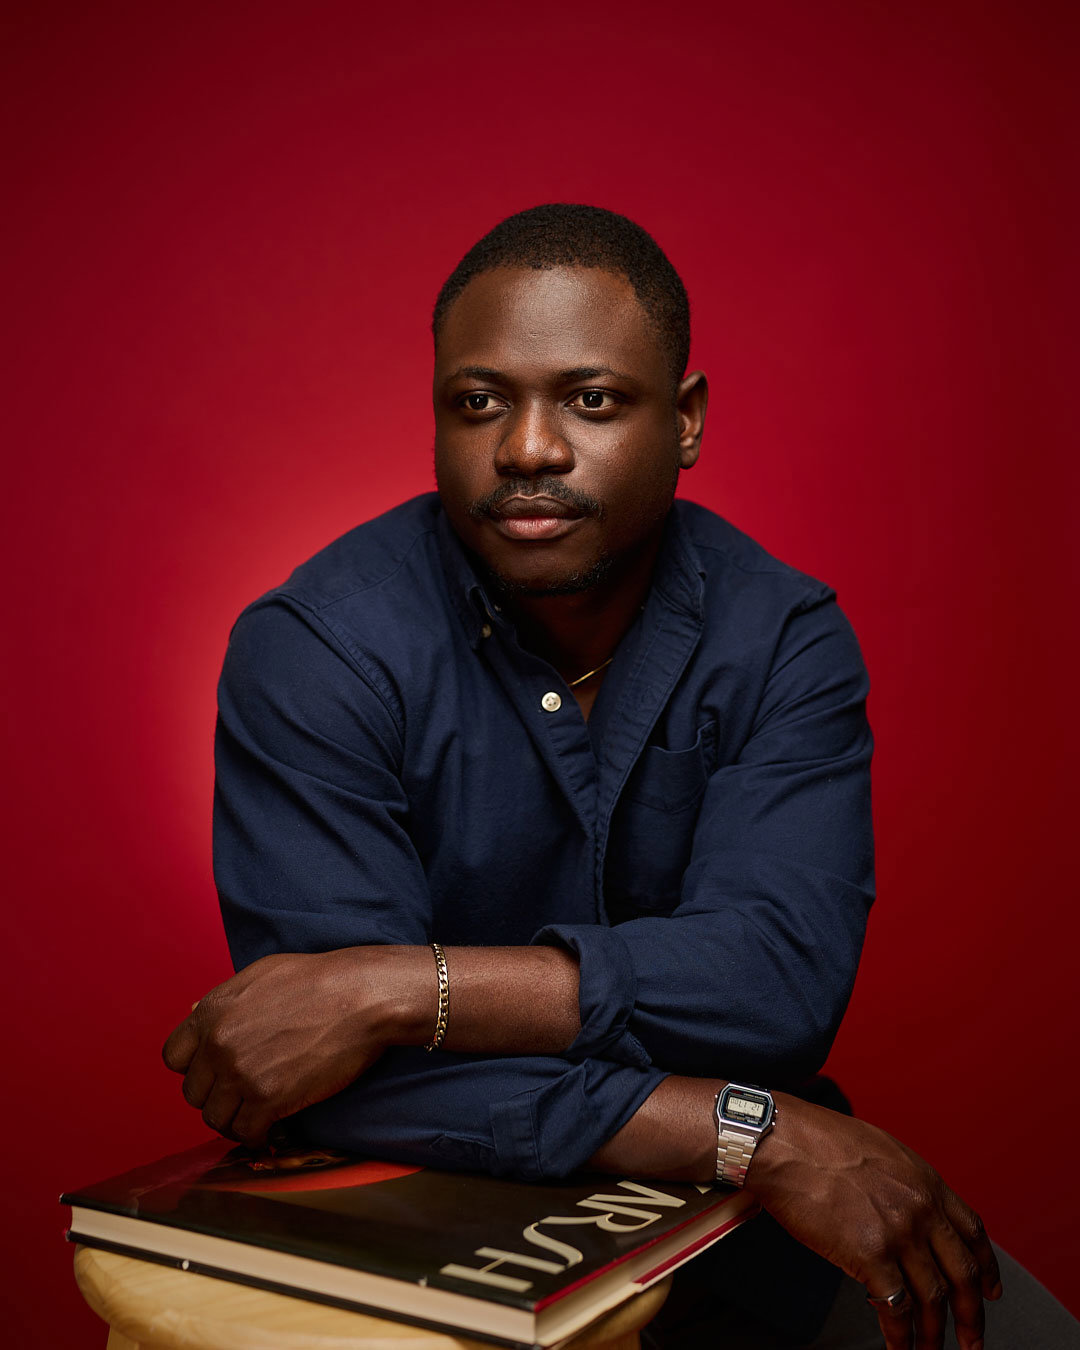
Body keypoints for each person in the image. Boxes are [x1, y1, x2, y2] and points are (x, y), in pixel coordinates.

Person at [162, 205, 1079, 1348]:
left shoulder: (782, 635)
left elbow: (778, 984)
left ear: (685, 420)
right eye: (478, 401)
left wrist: (394, 989)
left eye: (592, 400)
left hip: (734, 1222)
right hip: (420, 1223)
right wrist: (751, 1130)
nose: (529, 448)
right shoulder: (317, 647)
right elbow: (318, 1075)